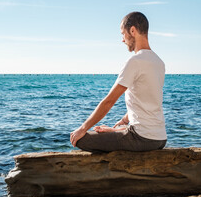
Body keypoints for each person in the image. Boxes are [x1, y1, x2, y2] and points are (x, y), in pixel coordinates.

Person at [70, 12, 167, 152]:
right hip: (160, 138)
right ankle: (117, 131)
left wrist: (82, 128)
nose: (123, 40)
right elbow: (148, 100)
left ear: (132, 30)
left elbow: (109, 101)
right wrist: (122, 124)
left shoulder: (135, 61)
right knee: (109, 132)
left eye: (123, 34)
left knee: (80, 139)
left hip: (141, 138)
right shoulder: (159, 62)